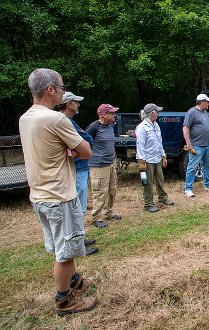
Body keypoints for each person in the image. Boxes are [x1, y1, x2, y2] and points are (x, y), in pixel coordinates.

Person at [19, 68, 97, 315]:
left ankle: (75, 282)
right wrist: (72, 150)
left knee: (60, 245)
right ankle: (64, 300)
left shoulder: (25, 118)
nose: (64, 92)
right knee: (66, 252)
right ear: (51, 90)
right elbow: (86, 151)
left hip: (39, 195)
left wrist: (67, 150)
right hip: (60, 195)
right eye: (62, 87)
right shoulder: (56, 119)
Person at [56, 91, 98, 255]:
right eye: (76, 102)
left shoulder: (69, 121)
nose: (78, 104)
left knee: (78, 207)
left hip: (79, 167)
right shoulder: (65, 122)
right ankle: (78, 245)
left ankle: (79, 239)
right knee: (77, 209)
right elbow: (87, 140)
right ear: (69, 104)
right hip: (77, 168)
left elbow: (86, 139)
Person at [87, 104, 121, 227]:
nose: (114, 115)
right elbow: (84, 143)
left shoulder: (110, 126)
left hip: (110, 163)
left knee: (112, 189)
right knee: (100, 191)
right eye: (112, 113)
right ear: (103, 115)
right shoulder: (94, 127)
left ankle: (108, 213)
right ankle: (96, 217)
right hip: (98, 166)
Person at [136, 103, 174, 212]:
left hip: (157, 157)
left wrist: (163, 155)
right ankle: (148, 204)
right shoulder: (142, 127)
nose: (158, 113)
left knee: (160, 179)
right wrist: (142, 160)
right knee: (148, 182)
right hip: (147, 159)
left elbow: (159, 142)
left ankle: (163, 198)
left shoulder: (156, 125)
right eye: (157, 111)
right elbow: (140, 145)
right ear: (151, 113)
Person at [183, 94, 209, 197]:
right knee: (192, 167)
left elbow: (207, 127)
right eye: (207, 102)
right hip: (196, 145)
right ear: (201, 102)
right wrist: (188, 143)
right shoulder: (192, 112)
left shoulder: (205, 112)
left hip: (208, 144)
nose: (208, 104)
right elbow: (185, 128)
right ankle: (188, 189)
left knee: (207, 165)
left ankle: (208, 185)